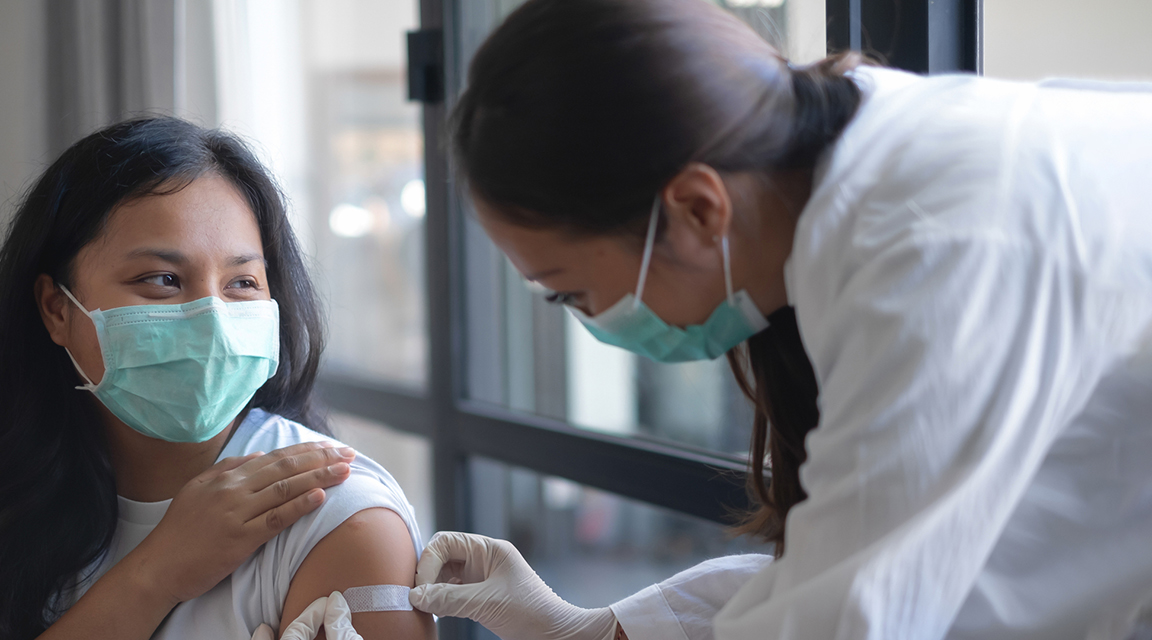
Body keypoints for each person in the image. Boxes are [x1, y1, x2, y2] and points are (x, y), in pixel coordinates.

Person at [386, 0, 1152, 638]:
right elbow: (850, 558)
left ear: (695, 207)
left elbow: (849, 612)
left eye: (569, 292)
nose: (589, 321)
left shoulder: (935, 253)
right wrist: (592, 632)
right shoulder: (857, 193)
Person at [0, 117, 435, 640]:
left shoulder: (339, 516)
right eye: (161, 279)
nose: (212, 319)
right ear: (57, 310)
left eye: (241, 284)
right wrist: (155, 574)